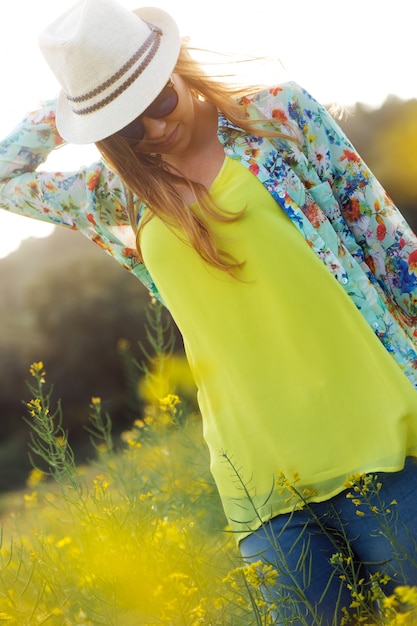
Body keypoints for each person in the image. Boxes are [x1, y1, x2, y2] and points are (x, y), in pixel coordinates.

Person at [1, 0, 417, 622]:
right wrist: (71, 110)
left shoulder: (278, 115)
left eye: (158, 100)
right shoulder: (116, 193)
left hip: (388, 444)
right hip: (263, 488)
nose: (153, 130)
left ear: (179, 63)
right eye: (125, 125)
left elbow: (391, 250)